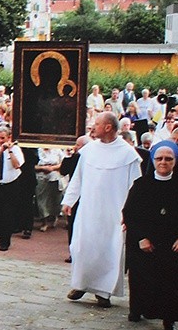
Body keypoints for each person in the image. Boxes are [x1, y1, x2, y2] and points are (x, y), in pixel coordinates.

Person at [62, 112, 142, 308]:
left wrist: (130, 213)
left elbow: (136, 187)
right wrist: (69, 200)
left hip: (114, 213)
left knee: (109, 250)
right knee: (82, 247)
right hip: (88, 209)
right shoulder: (89, 150)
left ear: (108, 127)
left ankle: (104, 293)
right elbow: (78, 178)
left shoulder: (128, 154)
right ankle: (80, 284)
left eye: (97, 124)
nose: (93, 127)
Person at [123, 141, 178, 330]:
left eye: (168, 159)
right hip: (144, 241)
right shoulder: (141, 185)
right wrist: (141, 237)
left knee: (171, 279)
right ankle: (137, 309)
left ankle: (168, 317)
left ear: (175, 162)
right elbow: (129, 213)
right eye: (159, 158)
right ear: (153, 160)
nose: (163, 162)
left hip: (172, 242)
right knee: (141, 276)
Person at [0, 126, 24, 251]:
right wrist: (0, 150)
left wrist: (10, 151)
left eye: (3, 138)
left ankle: (6, 241)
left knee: (8, 213)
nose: (0, 140)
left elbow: (17, 165)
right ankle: (1, 237)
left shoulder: (16, 149)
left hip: (11, 184)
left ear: (8, 138)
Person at [59, 135, 92, 263]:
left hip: (88, 195)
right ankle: (73, 252)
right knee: (72, 224)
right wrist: (68, 156)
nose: (75, 147)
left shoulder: (91, 158)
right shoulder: (74, 158)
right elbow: (63, 171)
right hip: (75, 195)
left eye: (78, 145)